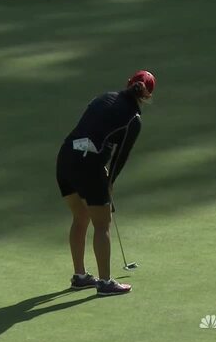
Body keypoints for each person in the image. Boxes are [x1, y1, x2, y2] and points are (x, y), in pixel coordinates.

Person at [56, 70, 156, 296]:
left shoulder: (103, 97)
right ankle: (104, 282)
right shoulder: (134, 119)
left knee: (80, 217)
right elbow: (121, 157)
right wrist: (109, 182)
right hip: (88, 167)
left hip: (65, 158)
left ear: (128, 83)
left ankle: (80, 276)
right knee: (102, 224)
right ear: (147, 95)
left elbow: (90, 129)